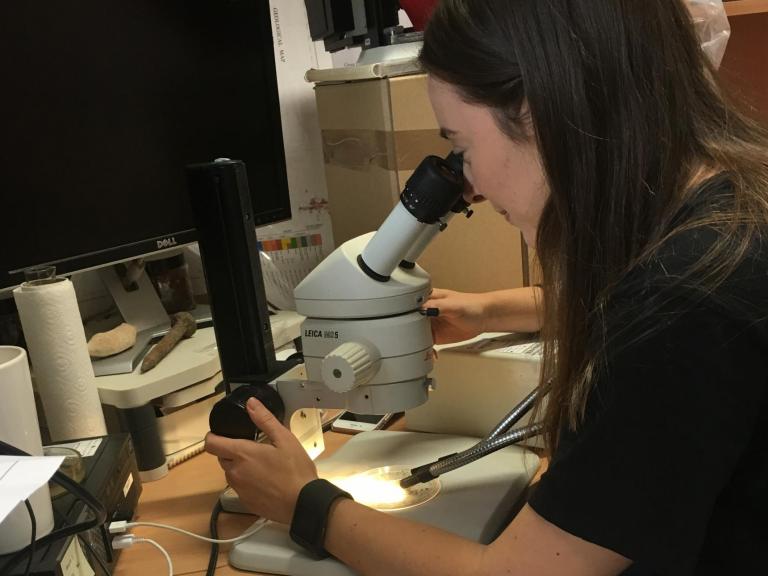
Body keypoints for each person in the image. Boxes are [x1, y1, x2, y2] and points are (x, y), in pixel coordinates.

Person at [205, 1, 768, 574]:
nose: (467, 186)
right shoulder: (725, 216)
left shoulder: (683, 306)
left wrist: (308, 505)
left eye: (462, 146)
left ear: (538, 112)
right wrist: (490, 309)